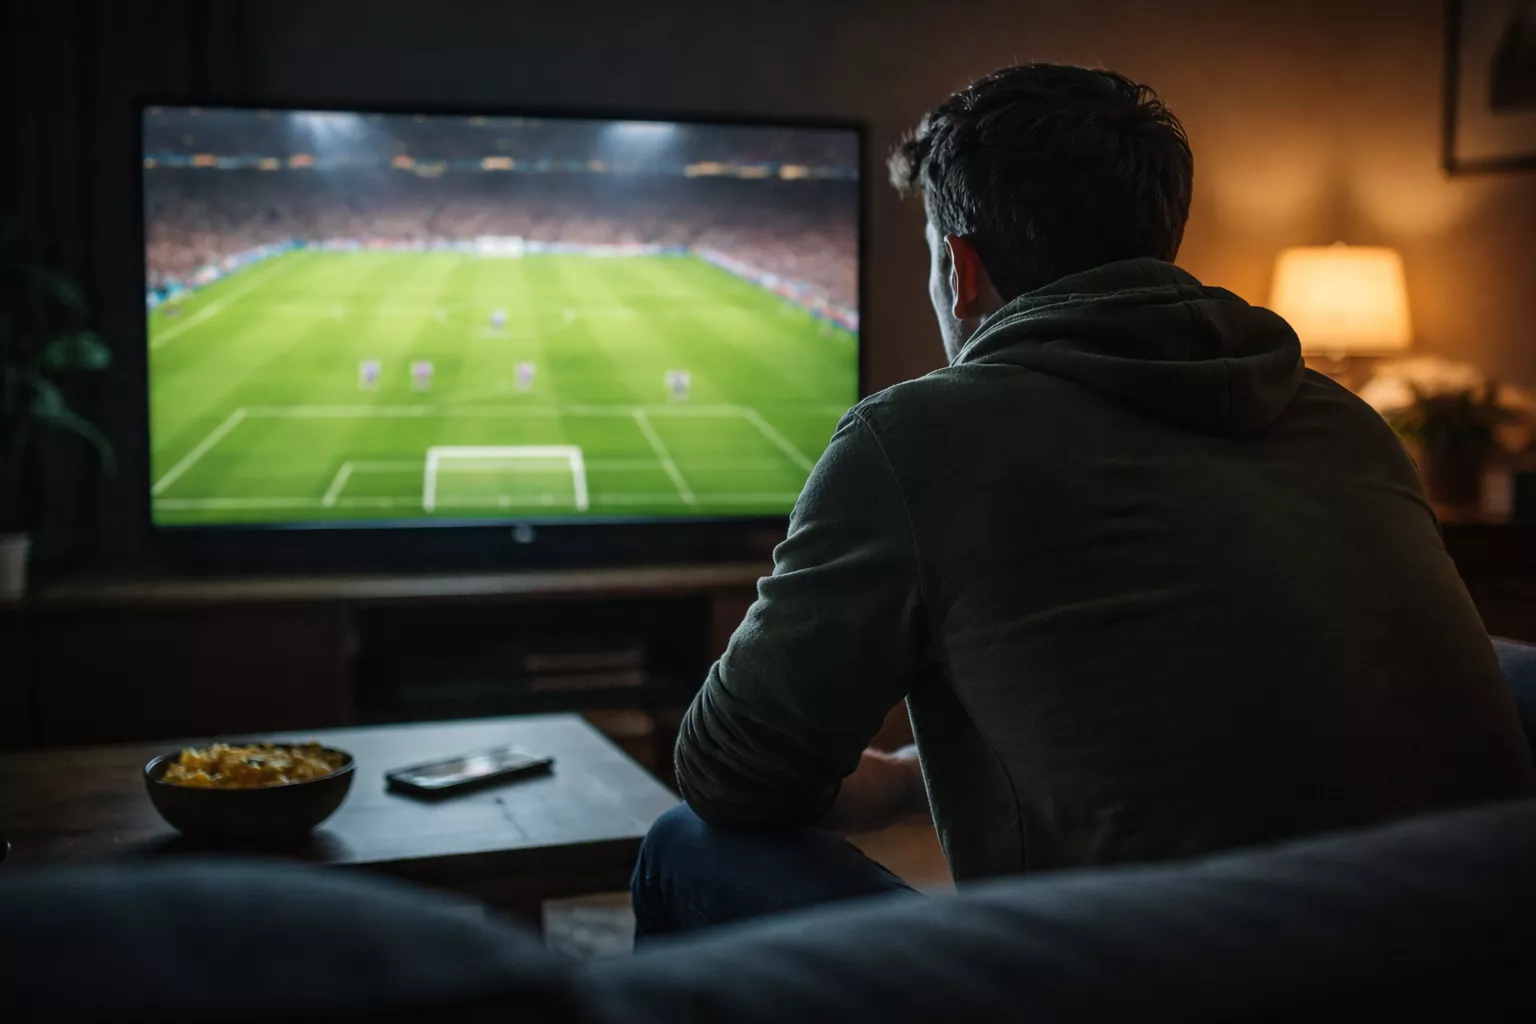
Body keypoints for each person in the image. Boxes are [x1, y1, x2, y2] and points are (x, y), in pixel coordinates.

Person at [631, 63, 1536, 938]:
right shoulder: (1349, 422)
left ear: (961, 268)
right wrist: (914, 780)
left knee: (685, 844)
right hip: (1467, 957)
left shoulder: (914, 439)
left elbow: (728, 773)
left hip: (1145, 980)